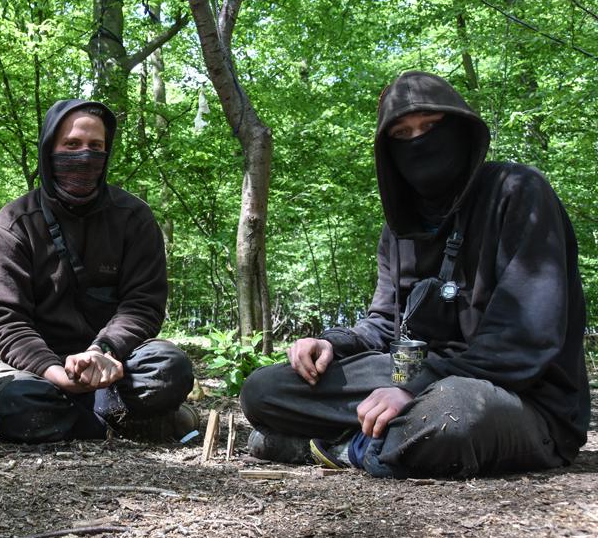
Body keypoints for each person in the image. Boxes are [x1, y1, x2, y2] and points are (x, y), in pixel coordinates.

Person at [240, 70, 589, 478]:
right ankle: (383, 437)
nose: (419, 143)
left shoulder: (517, 192)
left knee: (451, 414)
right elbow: (386, 323)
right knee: (265, 390)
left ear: (460, 131)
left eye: (430, 127)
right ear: (389, 153)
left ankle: (340, 448)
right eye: (402, 135)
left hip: (519, 396)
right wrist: (330, 343)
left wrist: (414, 387)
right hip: (418, 373)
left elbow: (526, 339)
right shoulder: (400, 226)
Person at [0, 99, 197, 443]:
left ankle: (90, 413)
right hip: (36, 368)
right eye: (72, 145)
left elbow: (142, 305)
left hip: (116, 360)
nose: (84, 155)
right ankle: (116, 418)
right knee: (15, 402)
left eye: (96, 146)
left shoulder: (134, 218)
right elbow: (5, 320)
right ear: (50, 149)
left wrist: (102, 351)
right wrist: (53, 371)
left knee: (170, 367)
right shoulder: (13, 223)